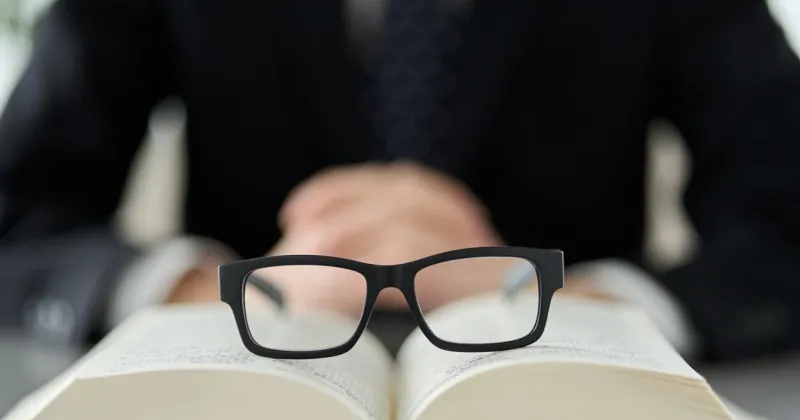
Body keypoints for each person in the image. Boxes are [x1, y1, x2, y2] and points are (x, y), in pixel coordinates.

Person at [1, 0, 799, 361]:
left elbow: (784, 217)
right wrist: (213, 293)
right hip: (243, 412)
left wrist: (582, 306)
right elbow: (18, 208)